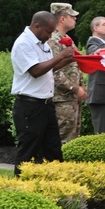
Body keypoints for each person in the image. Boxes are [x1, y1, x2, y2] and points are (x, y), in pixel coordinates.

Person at [11, 11, 76, 176]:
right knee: (29, 150)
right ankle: (21, 188)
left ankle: (56, 186)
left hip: (46, 104)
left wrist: (69, 60)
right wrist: (61, 55)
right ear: (36, 26)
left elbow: (48, 68)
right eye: (48, 31)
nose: (50, 36)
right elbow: (36, 70)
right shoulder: (23, 44)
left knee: (53, 149)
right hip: (29, 106)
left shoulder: (43, 43)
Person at [50, 2, 86, 143]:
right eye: (72, 16)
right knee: (63, 141)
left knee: (72, 139)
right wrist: (76, 88)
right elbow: (53, 71)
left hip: (70, 99)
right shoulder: (53, 40)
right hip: (61, 100)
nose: (75, 19)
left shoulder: (67, 40)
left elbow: (74, 65)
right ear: (62, 19)